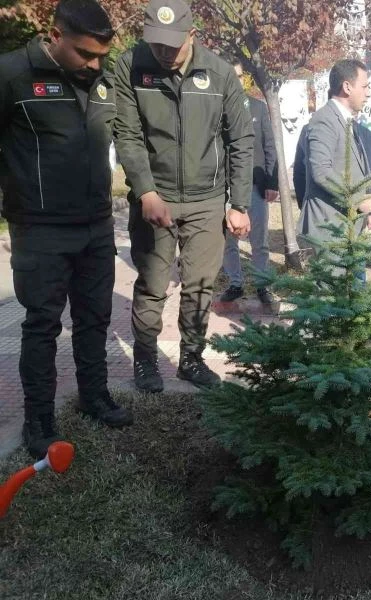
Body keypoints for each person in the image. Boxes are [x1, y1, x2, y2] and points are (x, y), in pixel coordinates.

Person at [0, 0, 133, 458]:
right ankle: (40, 421)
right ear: (55, 37)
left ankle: (94, 397)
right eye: (85, 54)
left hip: (97, 225)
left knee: (95, 319)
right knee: (41, 326)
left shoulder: (102, 77)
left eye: (101, 55)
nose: (95, 64)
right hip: (39, 229)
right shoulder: (13, 74)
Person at [114, 0, 254, 392]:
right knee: (153, 284)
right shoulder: (131, 66)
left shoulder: (220, 73)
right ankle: (145, 361)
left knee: (199, 285)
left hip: (207, 200)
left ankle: (191, 358)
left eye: (172, 45)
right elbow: (127, 134)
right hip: (156, 197)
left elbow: (240, 138)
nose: (163, 52)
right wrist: (145, 191)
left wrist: (238, 203)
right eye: (156, 44)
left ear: (192, 35)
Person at [298, 59, 371, 247]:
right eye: (365, 86)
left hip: (347, 227)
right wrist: (357, 200)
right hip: (329, 228)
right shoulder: (324, 120)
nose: (368, 93)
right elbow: (321, 172)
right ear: (347, 87)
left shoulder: (347, 122)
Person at [220, 61, 278, 306]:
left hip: (254, 185)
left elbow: (269, 146)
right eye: (232, 76)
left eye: (240, 76)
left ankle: (262, 285)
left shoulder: (258, 107)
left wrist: (271, 182)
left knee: (259, 241)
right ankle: (235, 283)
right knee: (227, 240)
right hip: (223, 188)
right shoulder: (214, 108)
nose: (237, 80)